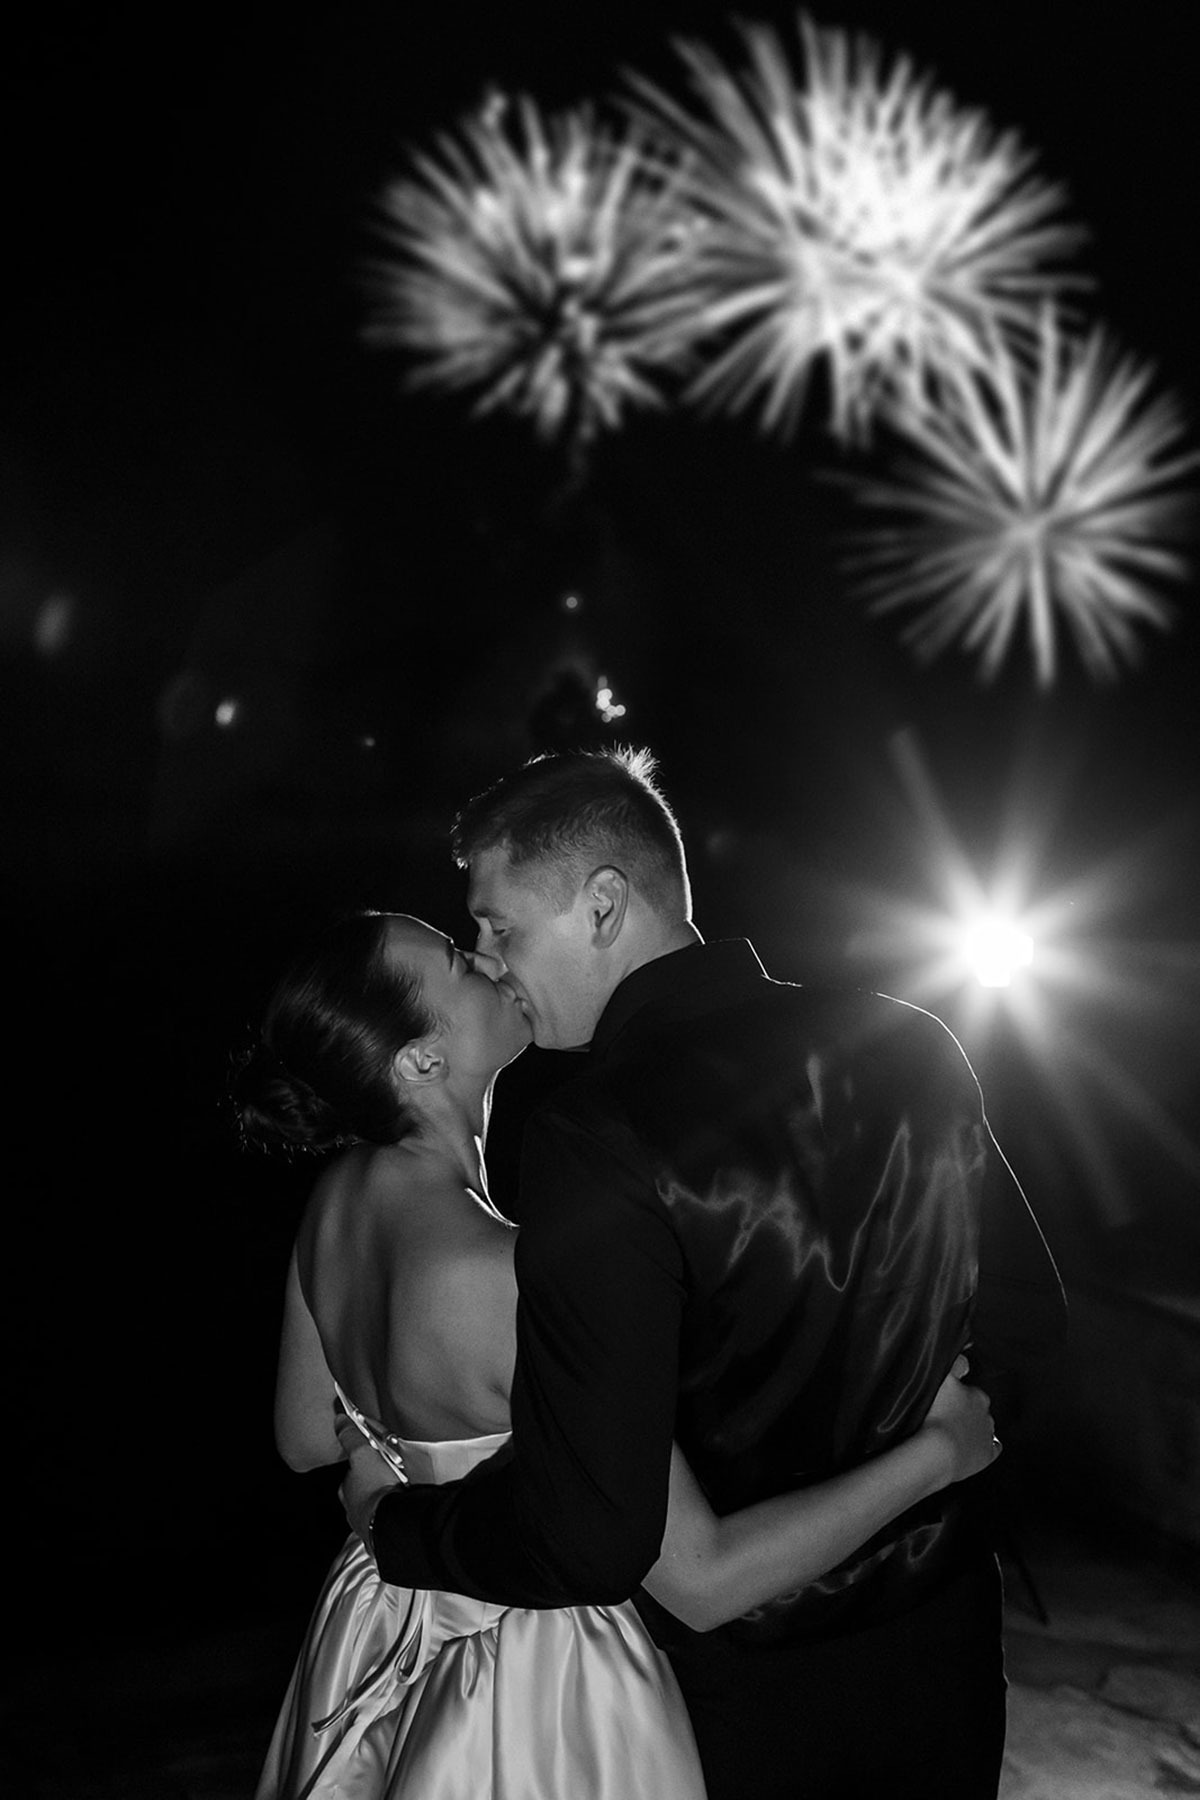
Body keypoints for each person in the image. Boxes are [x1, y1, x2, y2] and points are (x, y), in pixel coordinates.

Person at [343, 745, 1068, 1800]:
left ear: (602, 905)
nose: (491, 961)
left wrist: (395, 1528)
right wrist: (934, 1466)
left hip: (735, 1702)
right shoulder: (911, 1041)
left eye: (501, 926)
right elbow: (1028, 1332)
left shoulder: (597, 1133)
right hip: (945, 1647)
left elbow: (594, 1534)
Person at [236, 908, 1001, 1799]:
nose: (490, 960)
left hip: (375, 1625)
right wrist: (941, 1452)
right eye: (458, 960)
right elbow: (704, 1579)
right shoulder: (509, 1275)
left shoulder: (336, 1202)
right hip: (527, 1674)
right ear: (420, 1061)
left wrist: (389, 1477)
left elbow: (304, 1437)